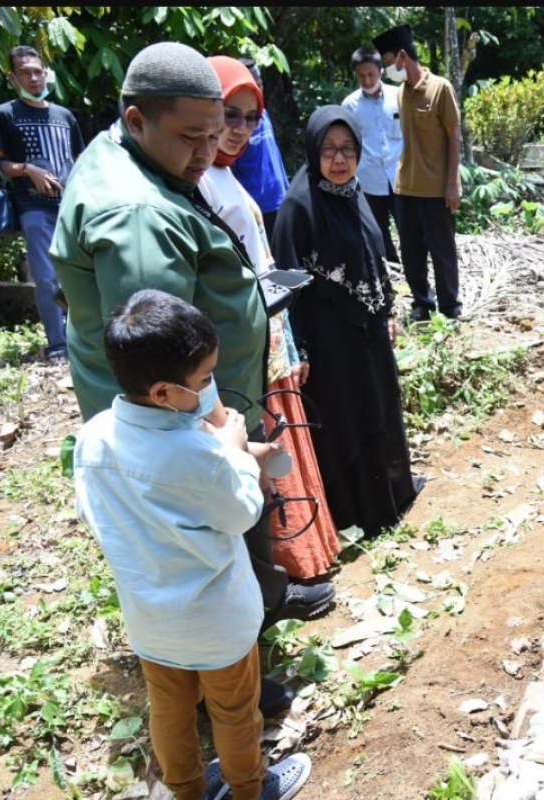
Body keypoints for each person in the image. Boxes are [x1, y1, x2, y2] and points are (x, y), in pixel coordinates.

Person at [51, 41, 333, 716]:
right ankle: (225, 677)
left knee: (237, 517)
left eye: (217, 135)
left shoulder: (136, 156)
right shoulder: (136, 212)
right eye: (191, 137)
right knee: (203, 531)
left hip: (204, 391)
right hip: (182, 407)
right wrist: (219, 439)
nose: (207, 153)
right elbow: (163, 357)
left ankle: (262, 600)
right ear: (137, 117)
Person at [73, 288, 312, 800]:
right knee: (234, 712)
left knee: (170, 711)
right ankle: (249, 788)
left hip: (150, 620)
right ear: (162, 392)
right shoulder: (197, 453)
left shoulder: (93, 437)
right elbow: (241, 512)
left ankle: (185, 791)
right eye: (204, 380)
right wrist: (235, 457)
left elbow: (97, 514)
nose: (210, 389)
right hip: (215, 620)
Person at [201, 55, 342, 581]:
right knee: (264, 436)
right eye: (227, 116)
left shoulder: (226, 177)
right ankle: (285, 567)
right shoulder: (201, 184)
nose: (237, 131)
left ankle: (306, 555)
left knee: (283, 429)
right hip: (246, 336)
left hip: (270, 324)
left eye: (248, 119)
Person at [270, 106, 423, 538]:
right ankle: (358, 512)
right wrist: (300, 349)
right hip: (330, 341)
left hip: (369, 333)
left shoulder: (355, 194)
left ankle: (391, 496)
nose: (339, 160)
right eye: (329, 150)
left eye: (348, 150)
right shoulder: (299, 206)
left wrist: (387, 308)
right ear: (313, 151)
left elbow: (374, 256)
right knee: (347, 420)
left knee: (380, 409)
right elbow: (289, 281)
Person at [0, 45, 84, 363]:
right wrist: (28, 169)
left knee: (79, 273)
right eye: (26, 72)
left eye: (38, 71)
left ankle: (80, 338)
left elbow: (80, 159)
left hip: (70, 207)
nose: (34, 78)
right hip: (33, 206)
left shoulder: (65, 116)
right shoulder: (4, 114)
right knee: (45, 277)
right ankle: (57, 344)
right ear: (12, 76)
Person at [372, 24, 463, 321]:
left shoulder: (440, 89)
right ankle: (422, 302)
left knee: (442, 250)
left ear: (402, 57)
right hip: (405, 187)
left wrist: (453, 183)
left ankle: (450, 305)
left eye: (387, 61)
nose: (386, 68)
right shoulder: (401, 93)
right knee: (411, 252)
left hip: (436, 188)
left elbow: (453, 136)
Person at [342, 47, 404, 267]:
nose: (367, 80)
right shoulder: (349, 105)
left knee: (409, 229)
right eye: (361, 75)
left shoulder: (400, 96)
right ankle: (391, 272)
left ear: (381, 71)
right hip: (368, 180)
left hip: (401, 177)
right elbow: (346, 144)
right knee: (377, 231)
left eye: (371, 74)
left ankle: (416, 274)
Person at [230, 56, 291, 238]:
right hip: (258, 208)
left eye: (260, 84)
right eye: (252, 86)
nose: (258, 91)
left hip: (282, 200)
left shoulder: (262, 113)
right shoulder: (234, 126)